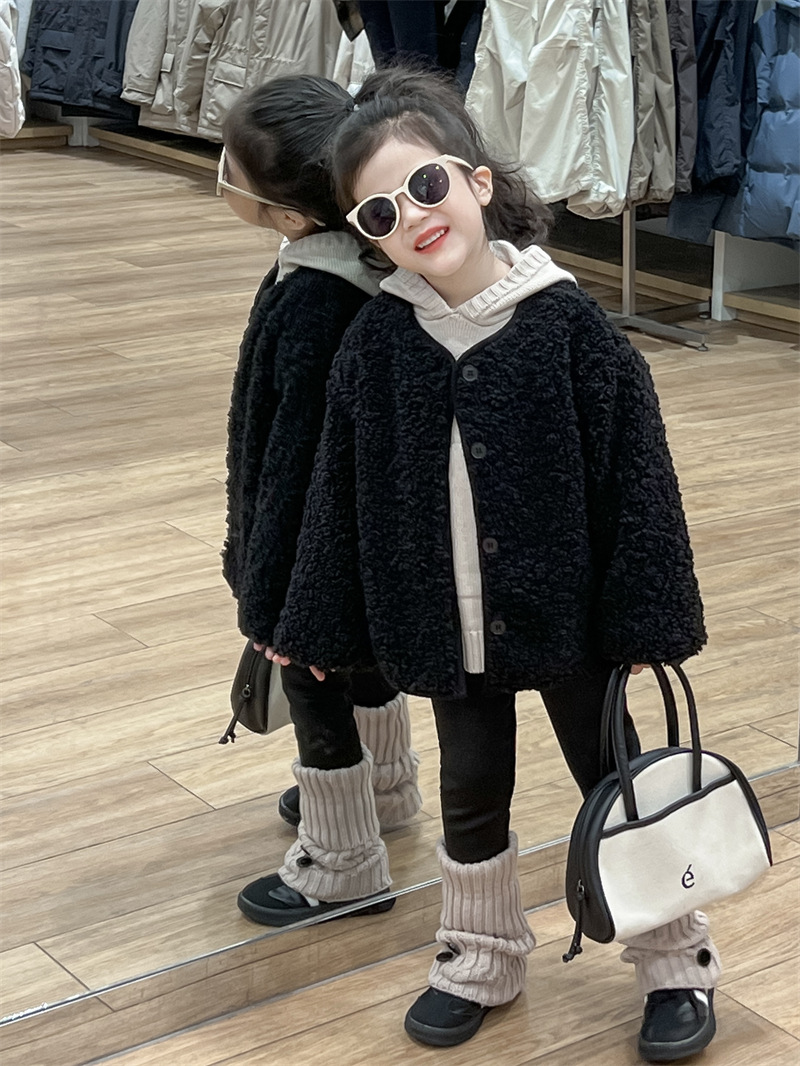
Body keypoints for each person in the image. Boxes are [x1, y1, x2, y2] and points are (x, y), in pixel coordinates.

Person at [264, 68, 721, 1061]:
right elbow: (339, 491)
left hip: (570, 620)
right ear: (369, 235)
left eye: (426, 185)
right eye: (382, 211)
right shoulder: (376, 344)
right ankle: (478, 953)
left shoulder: (569, 328)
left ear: (475, 182)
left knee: (613, 773)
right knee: (471, 790)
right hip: (443, 623)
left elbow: (636, 479)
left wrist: (645, 615)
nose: (414, 216)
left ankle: (672, 953)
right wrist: (315, 622)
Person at [218, 75, 422, 929]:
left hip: (310, 544)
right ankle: (388, 789)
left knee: (311, 679)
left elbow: (291, 450)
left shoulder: (314, 299)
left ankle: (342, 863)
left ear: (293, 215)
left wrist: (269, 584)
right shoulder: (369, 272)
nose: (221, 176)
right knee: (364, 663)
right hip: (369, 535)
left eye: (230, 170)